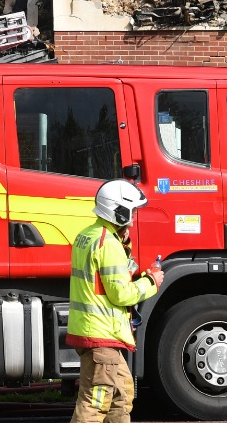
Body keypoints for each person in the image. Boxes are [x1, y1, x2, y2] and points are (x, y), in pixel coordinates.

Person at [67, 179, 163, 423]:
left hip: (96, 331)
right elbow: (120, 294)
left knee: (122, 394)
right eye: (132, 211)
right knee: (95, 402)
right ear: (119, 211)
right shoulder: (108, 243)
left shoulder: (88, 235)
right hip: (102, 334)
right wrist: (151, 282)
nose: (135, 217)